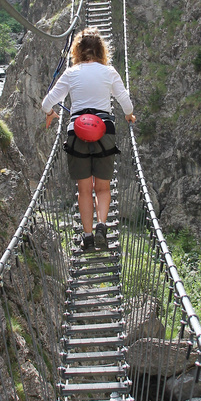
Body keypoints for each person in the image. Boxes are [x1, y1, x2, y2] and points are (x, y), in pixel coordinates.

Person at [42, 29, 135, 253]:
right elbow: (127, 104)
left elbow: (47, 103)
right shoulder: (109, 72)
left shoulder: (71, 73)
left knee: (84, 190)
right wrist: (128, 115)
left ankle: (88, 237)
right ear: (102, 51)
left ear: (77, 52)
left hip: (77, 133)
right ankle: (102, 225)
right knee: (102, 188)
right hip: (104, 133)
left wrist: (51, 113)